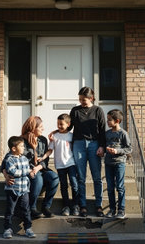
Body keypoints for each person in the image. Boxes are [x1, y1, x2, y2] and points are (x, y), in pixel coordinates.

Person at [52, 86, 106, 217]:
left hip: (94, 144)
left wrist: (102, 146)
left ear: (91, 98)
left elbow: (103, 129)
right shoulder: (75, 111)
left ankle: (99, 206)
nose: (81, 101)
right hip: (79, 145)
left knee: (97, 177)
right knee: (80, 178)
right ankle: (82, 206)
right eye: (80, 99)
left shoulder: (98, 110)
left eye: (84, 99)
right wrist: (55, 132)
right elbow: (67, 126)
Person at [1, 116, 59, 219]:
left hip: (40, 169)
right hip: (27, 171)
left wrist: (39, 167)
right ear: (33, 128)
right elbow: (6, 160)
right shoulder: (21, 141)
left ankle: (46, 207)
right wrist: (6, 175)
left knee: (54, 177)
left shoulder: (43, 140)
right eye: (40, 127)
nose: (43, 129)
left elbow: (45, 159)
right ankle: (31, 208)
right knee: (38, 179)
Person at [38, 114, 79, 216]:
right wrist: (43, 157)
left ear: (68, 124)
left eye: (61, 124)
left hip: (71, 163)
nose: (59, 126)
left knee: (74, 185)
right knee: (63, 186)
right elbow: (50, 150)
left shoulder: (71, 136)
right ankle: (66, 206)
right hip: (60, 165)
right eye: (58, 124)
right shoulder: (54, 137)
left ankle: (75, 205)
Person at [2, 136, 36, 239]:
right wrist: (27, 172)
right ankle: (7, 229)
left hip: (24, 189)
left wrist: (31, 170)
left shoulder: (24, 158)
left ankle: (28, 228)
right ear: (13, 148)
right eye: (21, 146)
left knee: (26, 209)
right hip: (12, 189)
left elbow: (28, 168)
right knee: (10, 210)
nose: (24, 147)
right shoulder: (9, 159)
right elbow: (13, 172)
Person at [104, 109, 132, 219]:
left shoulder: (123, 133)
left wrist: (117, 151)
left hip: (119, 163)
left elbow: (129, 149)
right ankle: (112, 209)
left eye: (109, 120)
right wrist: (103, 150)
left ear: (117, 121)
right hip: (108, 163)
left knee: (119, 187)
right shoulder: (107, 133)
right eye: (107, 120)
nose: (107, 122)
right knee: (110, 187)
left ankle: (121, 209)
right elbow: (104, 145)